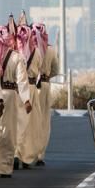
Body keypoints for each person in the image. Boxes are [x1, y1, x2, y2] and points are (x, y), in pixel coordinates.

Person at [0, 20, 32, 177]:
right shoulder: (16, 57)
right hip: (10, 96)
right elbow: (22, 80)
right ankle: (5, 167)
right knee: (9, 132)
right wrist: (26, 99)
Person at [15, 19, 43, 169]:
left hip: (17, 90)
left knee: (18, 124)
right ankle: (27, 157)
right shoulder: (37, 51)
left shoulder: (15, 52)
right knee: (30, 126)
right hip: (31, 89)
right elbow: (40, 69)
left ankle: (16, 154)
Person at [33, 22, 58, 165]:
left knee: (30, 121)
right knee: (43, 120)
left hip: (31, 86)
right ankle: (40, 154)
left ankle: (26, 152)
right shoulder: (51, 50)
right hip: (45, 85)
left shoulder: (28, 49)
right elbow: (55, 69)